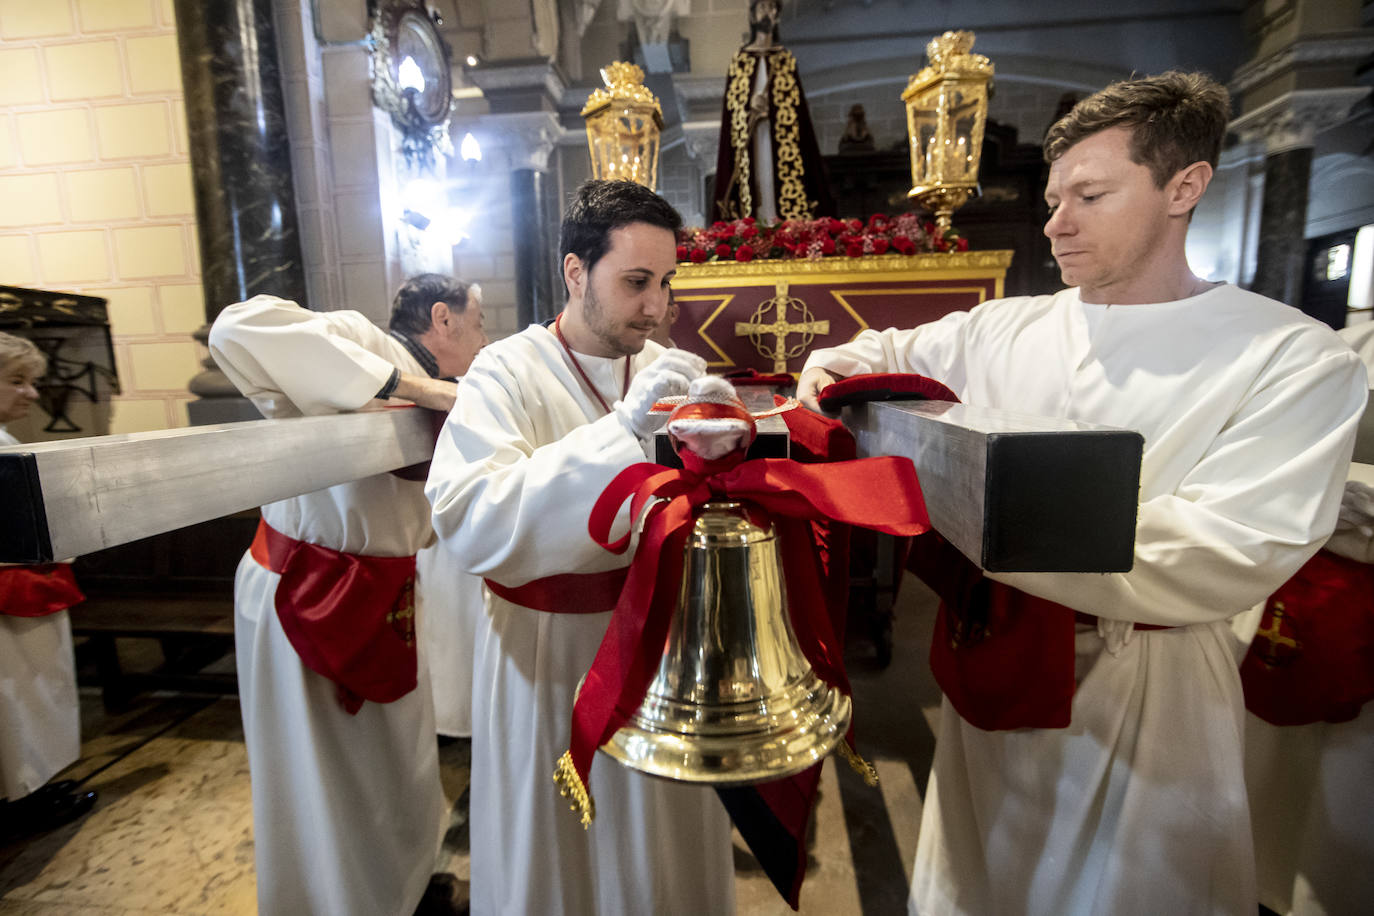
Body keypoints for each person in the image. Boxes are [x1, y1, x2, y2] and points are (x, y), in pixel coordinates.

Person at [798, 71, 1368, 915]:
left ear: (1185, 187)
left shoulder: (1291, 354)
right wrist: (834, 374)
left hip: (1147, 688)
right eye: (1056, 197)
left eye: (1090, 195)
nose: (1055, 222)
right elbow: (869, 353)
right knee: (979, 879)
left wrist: (986, 521)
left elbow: (1230, 546)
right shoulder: (1008, 325)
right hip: (995, 662)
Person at [425, 179, 735, 915]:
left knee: (663, 852)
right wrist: (620, 434)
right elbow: (468, 515)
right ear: (574, 271)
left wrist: (725, 449)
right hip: (548, 660)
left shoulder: (662, 367)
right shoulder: (505, 371)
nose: (657, 306)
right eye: (635, 282)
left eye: (665, 283)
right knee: (561, 857)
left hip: (662, 652)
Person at [207, 274, 486, 916]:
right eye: (479, 323)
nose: (484, 338)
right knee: (324, 773)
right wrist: (414, 387)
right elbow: (235, 327)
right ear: (441, 321)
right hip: (306, 589)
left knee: (399, 759)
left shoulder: (463, 395)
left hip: (384, 593)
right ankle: (335, 902)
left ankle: (407, 888)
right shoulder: (363, 343)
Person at [0, 332, 97, 842]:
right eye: (17, 381)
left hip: (25, 587)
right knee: (18, 700)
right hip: (9, 597)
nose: (32, 394)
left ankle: (30, 790)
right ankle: (20, 800)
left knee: (30, 697)